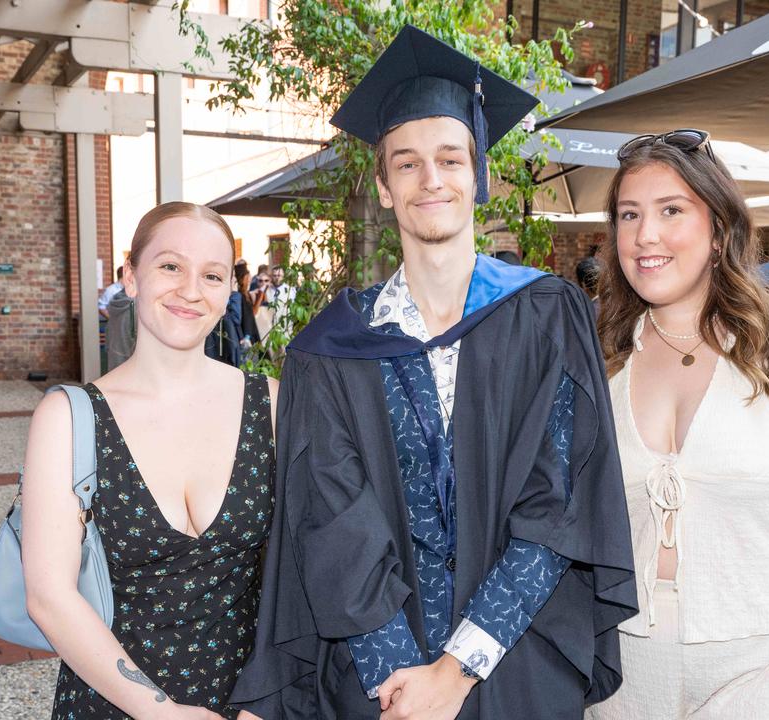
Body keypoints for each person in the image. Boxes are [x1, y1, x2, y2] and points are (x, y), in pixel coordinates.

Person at [231, 25, 637, 720]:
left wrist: (456, 671)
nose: (430, 180)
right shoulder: (330, 348)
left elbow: (558, 503)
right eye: (407, 163)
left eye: (450, 159)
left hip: (517, 660)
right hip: (379, 680)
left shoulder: (544, 317)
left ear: (477, 175)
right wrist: (404, 682)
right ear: (384, 187)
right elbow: (333, 522)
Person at [584, 131, 769, 720]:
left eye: (671, 210)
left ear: (719, 229)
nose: (646, 235)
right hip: (622, 674)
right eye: (628, 215)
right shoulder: (597, 356)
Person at [22, 201, 277, 718]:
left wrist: (273, 696)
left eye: (211, 274)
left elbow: (300, 571)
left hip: (249, 702)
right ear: (131, 277)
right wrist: (160, 711)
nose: (189, 289)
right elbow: (49, 595)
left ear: (230, 289)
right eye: (169, 266)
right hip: (114, 700)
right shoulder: (69, 419)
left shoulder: (272, 404)